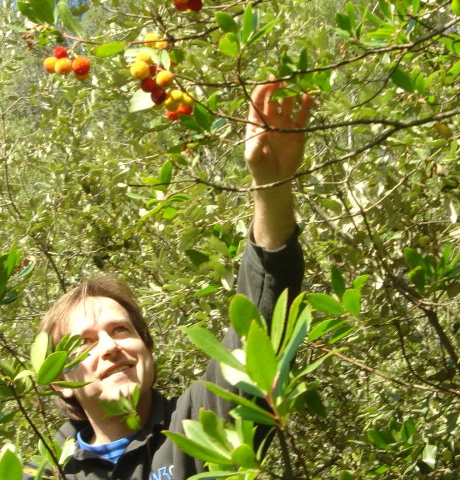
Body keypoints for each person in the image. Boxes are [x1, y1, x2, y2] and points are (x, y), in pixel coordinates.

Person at [25, 80, 313, 479]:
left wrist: (271, 187)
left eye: (121, 330)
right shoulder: (43, 473)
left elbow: (258, 332)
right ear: (60, 382)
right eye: (85, 342)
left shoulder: (198, 424)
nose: (110, 347)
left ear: (146, 347)